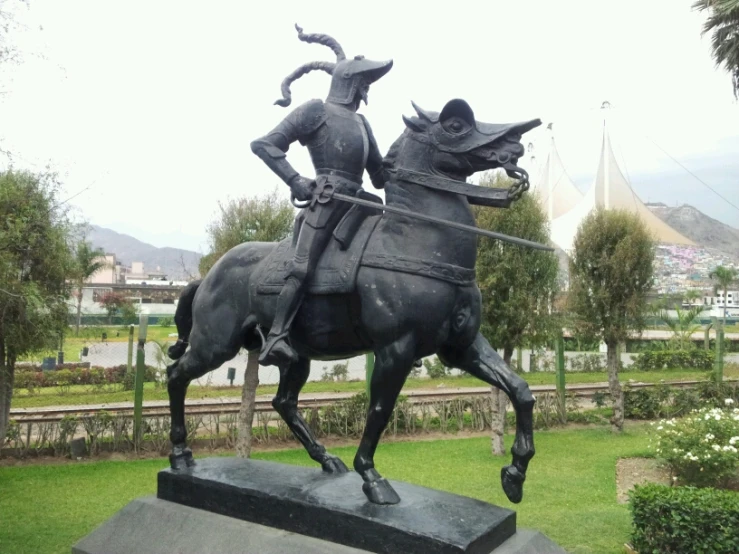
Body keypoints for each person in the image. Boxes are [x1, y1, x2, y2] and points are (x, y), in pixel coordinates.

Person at [251, 25, 393, 367]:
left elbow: (379, 175)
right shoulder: (315, 111)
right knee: (302, 267)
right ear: (352, 82)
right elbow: (265, 144)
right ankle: (276, 337)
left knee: (383, 260)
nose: (367, 88)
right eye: (365, 82)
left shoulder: (362, 124)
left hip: (361, 204)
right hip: (326, 200)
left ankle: (394, 326)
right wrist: (296, 179)